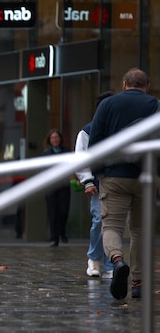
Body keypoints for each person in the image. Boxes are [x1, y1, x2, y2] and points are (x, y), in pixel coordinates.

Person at [89, 68, 160, 300]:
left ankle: (118, 262)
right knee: (140, 231)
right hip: (145, 176)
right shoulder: (155, 105)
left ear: (123, 84)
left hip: (114, 175)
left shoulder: (107, 105)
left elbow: (96, 141)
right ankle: (139, 282)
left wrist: (99, 172)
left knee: (111, 227)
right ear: (146, 86)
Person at [74, 91, 114, 279]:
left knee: (112, 222)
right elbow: (80, 158)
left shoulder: (117, 130)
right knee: (99, 220)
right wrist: (87, 181)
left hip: (116, 180)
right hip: (98, 182)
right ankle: (94, 259)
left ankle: (109, 262)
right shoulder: (87, 131)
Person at [41, 128, 71, 247]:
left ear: (60, 139)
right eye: (52, 137)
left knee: (63, 211)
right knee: (52, 213)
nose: (55, 139)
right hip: (51, 186)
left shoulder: (66, 151)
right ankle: (54, 238)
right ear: (49, 140)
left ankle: (62, 231)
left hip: (63, 185)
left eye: (56, 137)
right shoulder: (46, 153)